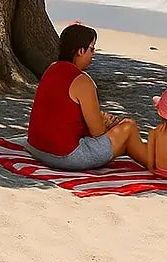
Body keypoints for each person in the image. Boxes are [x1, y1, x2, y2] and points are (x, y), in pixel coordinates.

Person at [26, 23, 143, 170]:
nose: (93, 54)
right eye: (91, 49)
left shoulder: (52, 68)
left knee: (123, 142)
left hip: (36, 148)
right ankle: (157, 165)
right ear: (81, 51)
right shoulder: (82, 81)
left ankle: (153, 159)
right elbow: (98, 133)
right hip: (64, 156)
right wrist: (106, 123)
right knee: (129, 127)